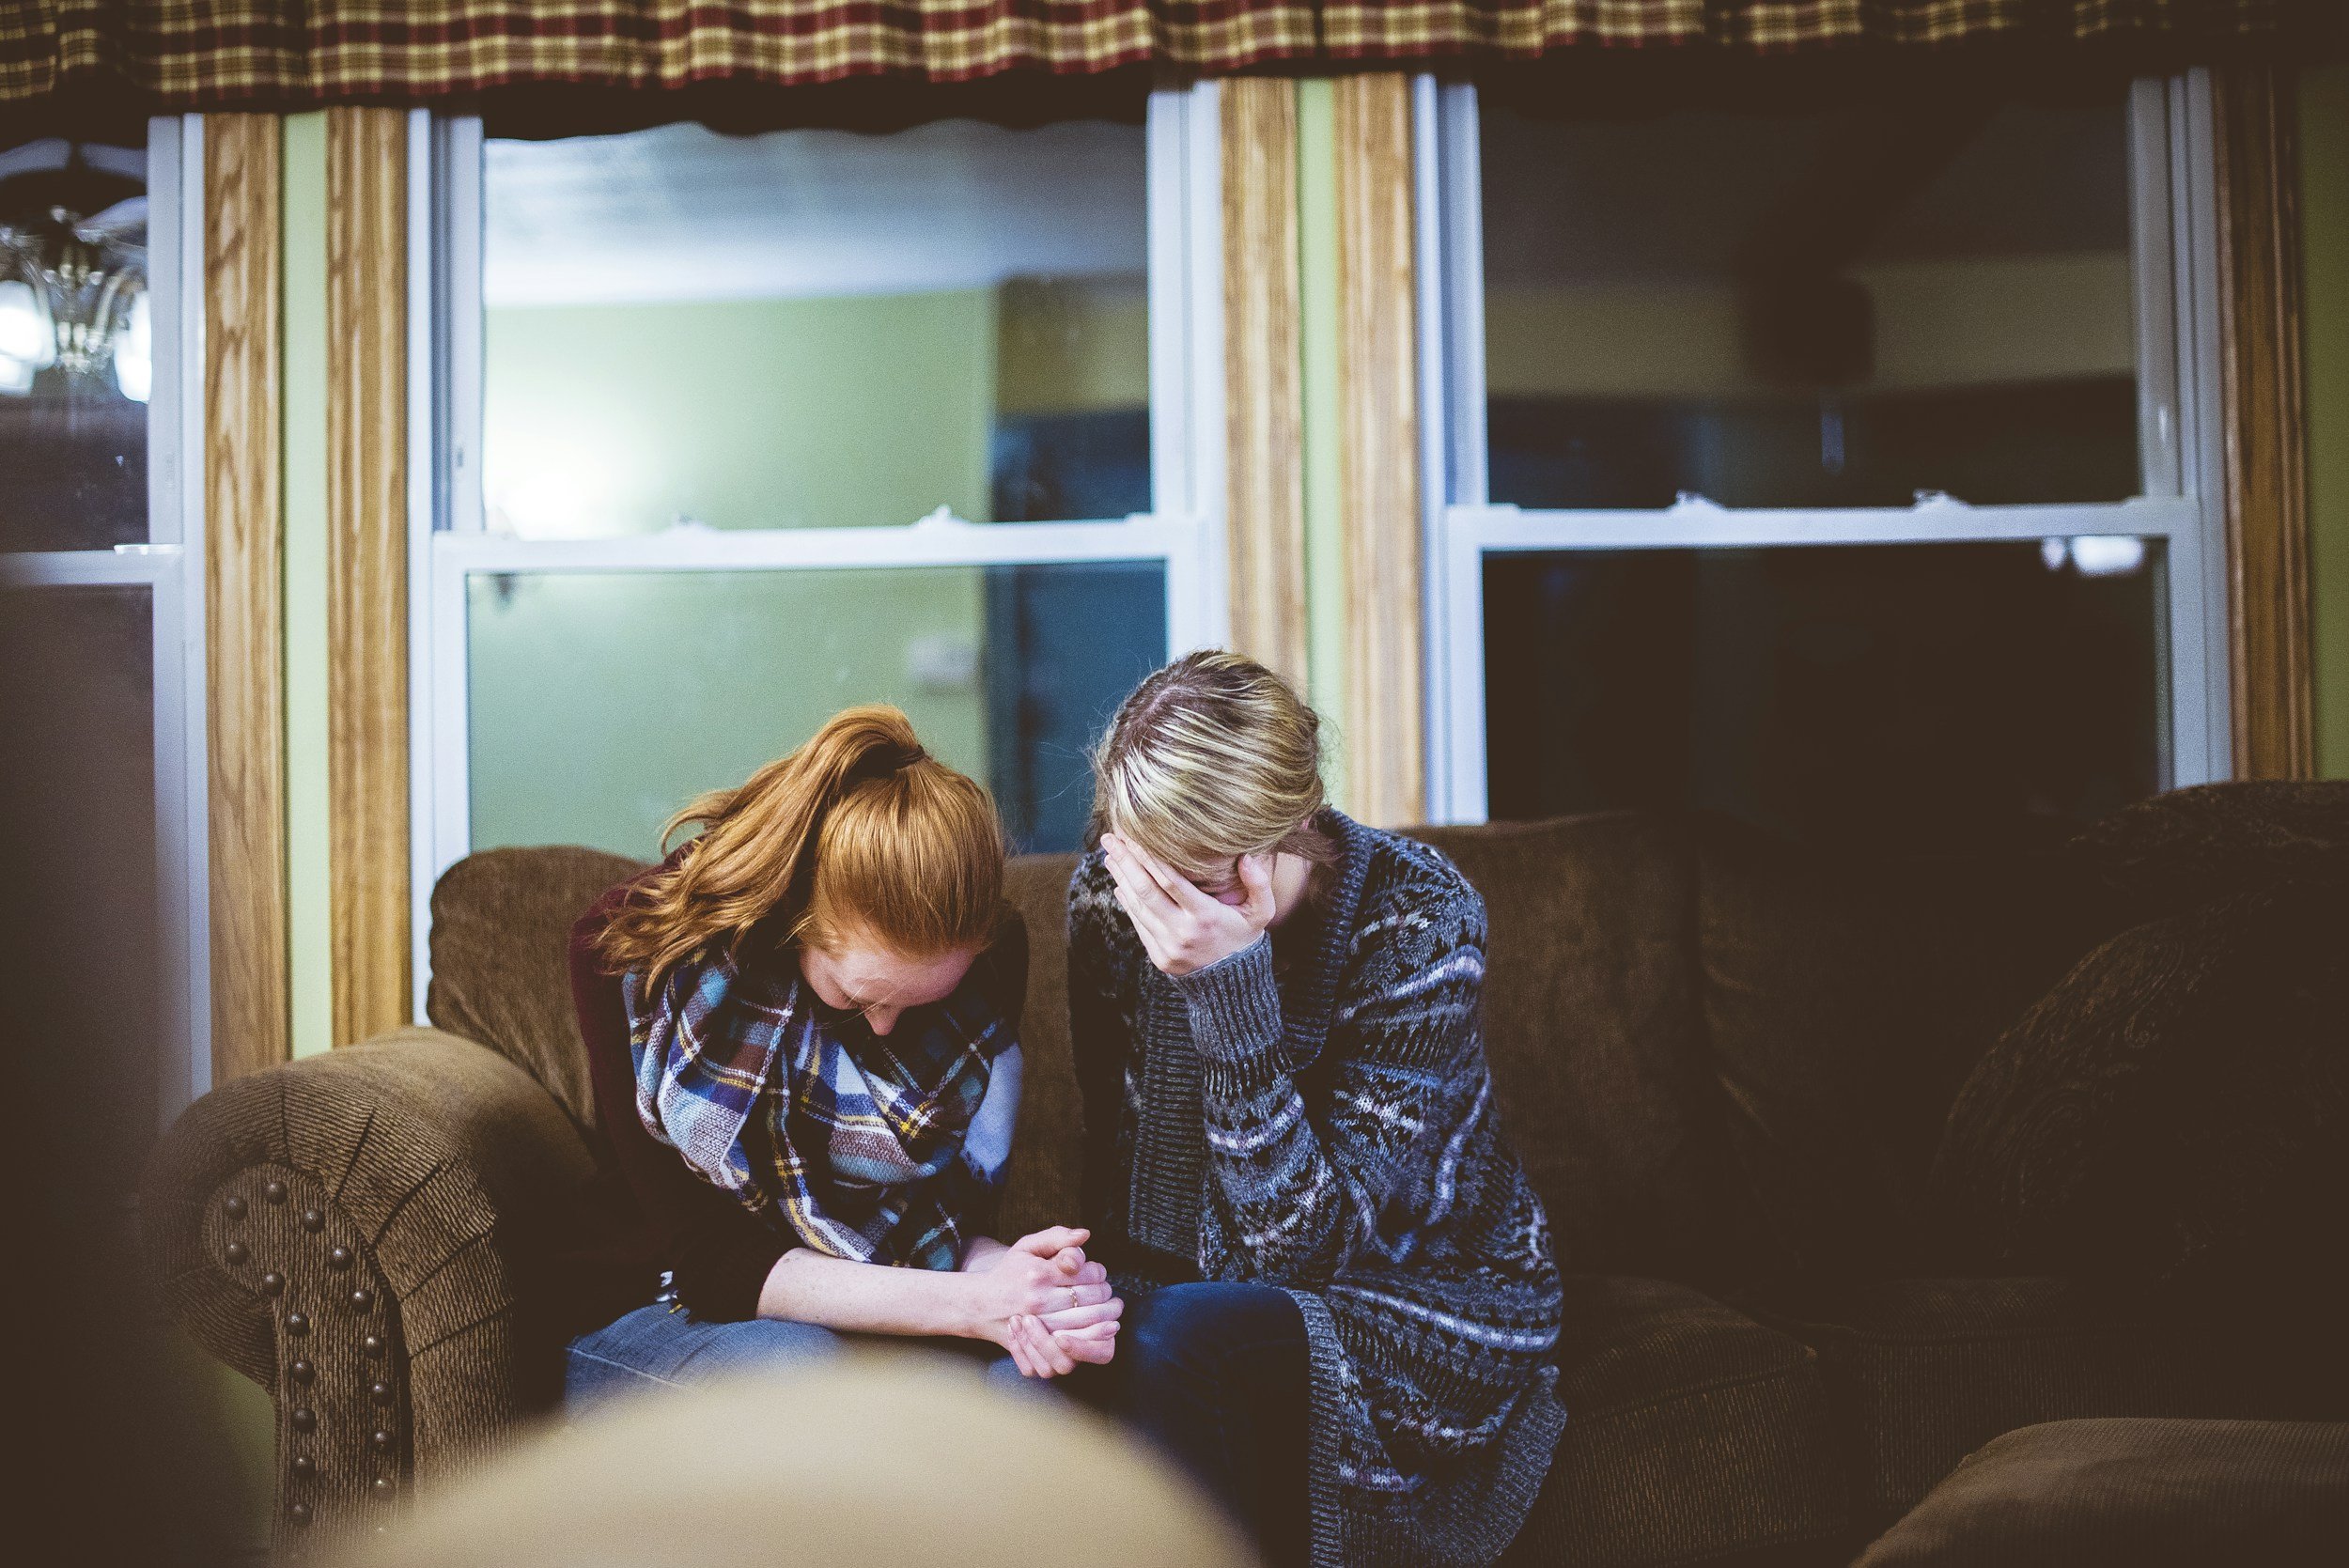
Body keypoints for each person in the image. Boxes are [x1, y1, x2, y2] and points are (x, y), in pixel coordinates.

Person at [1066, 652, 1567, 1568]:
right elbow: (1128, 1176)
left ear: (1293, 828)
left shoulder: (1419, 919)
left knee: (1182, 1340)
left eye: (1203, 880)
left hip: (1424, 1294)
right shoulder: (1111, 898)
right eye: (1151, 872)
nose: (1168, 912)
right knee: (1064, 1351)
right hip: (1203, 1289)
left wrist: (1232, 993)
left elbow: (1300, 1257)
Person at [563, 706, 1120, 1404]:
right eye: (858, 998)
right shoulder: (631, 954)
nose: (886, 1029)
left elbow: (938, 1229)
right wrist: (977, 1306)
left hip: (870, 1301)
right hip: (659, 1303)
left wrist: (1029, 1282)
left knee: (1039, 1385)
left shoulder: (987, 962)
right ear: (795, 920)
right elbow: (711, 1264)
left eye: (917, 1004)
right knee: (801, 1371)